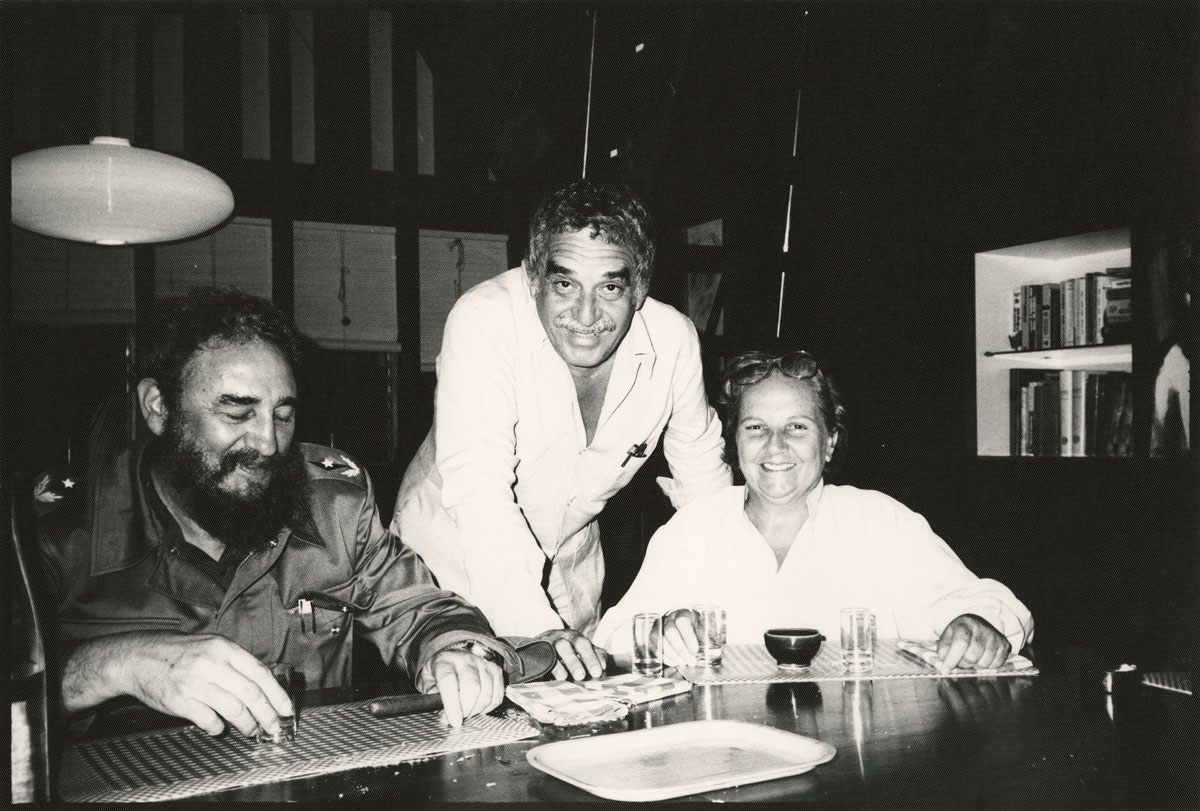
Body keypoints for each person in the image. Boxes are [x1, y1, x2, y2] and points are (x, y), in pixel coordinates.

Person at [35, 287, 517, 740]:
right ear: (159, 408)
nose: (268, 443)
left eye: (282, 414)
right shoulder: (61, 527)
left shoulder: (333, 505)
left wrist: (455, 650)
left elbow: (418, 608)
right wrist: (112, 666)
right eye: (238, 413)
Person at [392, 180, 731, 679]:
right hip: (447, 571)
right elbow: (480, 491)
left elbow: (705, 488)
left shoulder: (673, 341)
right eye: (564, 284)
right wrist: (534, 629)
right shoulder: (484, 320)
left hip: (570, 570)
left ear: (639, 288)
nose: (586, 316)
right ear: (534, 279)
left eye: (610, 288)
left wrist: (708, 601)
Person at [595, 350, 1034, 673]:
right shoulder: (693, 529)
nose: (775, 445)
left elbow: (989, 605)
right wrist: (661, 630)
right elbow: (614, 633)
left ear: (829, 443)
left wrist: (974, 625)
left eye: (797, 428)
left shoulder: (880, 521)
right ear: (736, 443)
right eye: (756, 428)